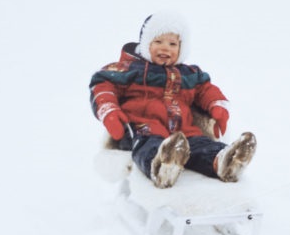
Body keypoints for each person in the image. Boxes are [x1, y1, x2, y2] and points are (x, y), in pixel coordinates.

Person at [90, 10, 256, 188]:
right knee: (148, 144)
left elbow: (206, 89)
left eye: (172, 44)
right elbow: (103, 86)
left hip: (182, 131)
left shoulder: (189, 74)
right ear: (146, 44)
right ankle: (162, 165)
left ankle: (224, 161)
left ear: (181, 48)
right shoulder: (128, 69)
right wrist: (109, 112)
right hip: (142, 127)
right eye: (158, 42)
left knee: (200, 144)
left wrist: (218, 106)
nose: (165, 48)